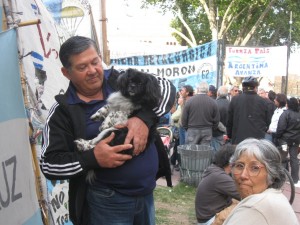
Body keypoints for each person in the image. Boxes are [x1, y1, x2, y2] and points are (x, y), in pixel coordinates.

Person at [39, 36, 176, 225]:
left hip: (145, 195)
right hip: (107, 201)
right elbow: (49, 165)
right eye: (82, 67)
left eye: (95, 62)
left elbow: (167, 88)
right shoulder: (62, 111)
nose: (92, 71)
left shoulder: (120, 79)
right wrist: (93, 158)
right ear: (66, 73)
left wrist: (143, 119)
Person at [223, 138, 299, 225]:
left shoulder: (255, 207)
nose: (243, 175)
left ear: (272, 175)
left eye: (255, 168)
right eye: (239, 166)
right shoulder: (271, 197)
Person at [195, 144, 240, 225]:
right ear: (231, 162)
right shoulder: (220, 177)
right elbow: (244, 195)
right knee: (246, 208)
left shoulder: (214, 170)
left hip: (205, 218)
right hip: (210, 220)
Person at [227, 76, 272, 144]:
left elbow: (230, 121)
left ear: (243, 88)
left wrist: (230, 135)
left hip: (239, 139)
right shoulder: (263, 102)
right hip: (257, 140)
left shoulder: (235, 100)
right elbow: (268, 121)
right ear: (255, 88)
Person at [181, 81, 220, 146]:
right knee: (204, 154)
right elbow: (216, 120)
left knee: (192, 153)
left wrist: (188, 129)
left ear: (198, 89)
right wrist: (211, 129)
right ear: (207, 90)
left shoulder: (190, 101)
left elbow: (184, 119)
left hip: (192, 130)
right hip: (207, 130)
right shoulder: (213, 102)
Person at [276, 97, 300, 187]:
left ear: (288, 104)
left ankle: (281, 177)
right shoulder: (298, 114)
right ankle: (295, 179)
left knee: (283, 157)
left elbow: (281, 127)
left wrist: (278, 137)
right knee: (294, 159)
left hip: (284, 140)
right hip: (295, 140)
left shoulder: (286, 114)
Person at [211, 86, 230, 153]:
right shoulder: (230, 104)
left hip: (216, 133)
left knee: (216, 154)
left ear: (218, 93)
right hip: (228, 133)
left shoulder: (214, 104)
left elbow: (214, 119)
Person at [170, 95, 184, 171]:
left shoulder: (181, 107)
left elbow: (173, 117)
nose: (179, 99)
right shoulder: (179, 107)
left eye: (180, 97)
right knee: (176, 146)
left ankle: (176, 162)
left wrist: (172, 118)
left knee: (178, 146)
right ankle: (174, 162)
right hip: (178, 129)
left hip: (178, 129)